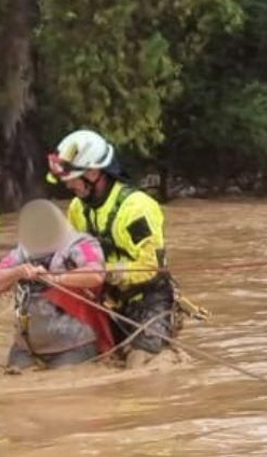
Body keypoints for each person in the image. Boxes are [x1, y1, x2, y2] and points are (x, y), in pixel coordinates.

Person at [47, 128, 176, 354]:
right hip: (104, 298)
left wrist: (105, 272)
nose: (68, 186)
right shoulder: (77, 208)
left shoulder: (137, 208)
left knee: (143, 359)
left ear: (94, 172)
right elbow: (72, 252)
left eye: (72, 179)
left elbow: (151, 267)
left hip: (148, 298)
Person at [0, 199, 115, 369]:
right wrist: (18, 271)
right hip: (26, 347)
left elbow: (96, 274)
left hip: (73, 344)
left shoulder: (81, 243)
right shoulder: (23, 250)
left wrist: (55, 279)